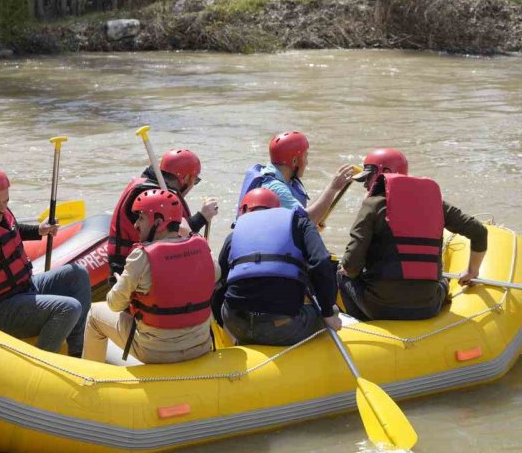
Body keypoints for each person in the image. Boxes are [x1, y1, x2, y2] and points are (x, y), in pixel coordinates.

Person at [0, 167, 90, 356]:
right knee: (68, 308)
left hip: (25, 288)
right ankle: (43, 366)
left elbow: (11, 231)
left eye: (6, 201)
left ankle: (75, 354)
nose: (2, 207)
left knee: (77, 274)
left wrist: (38, 230)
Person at [338, 148, 488, 321]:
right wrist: (472, 271)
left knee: (340, 275)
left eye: (367, 177)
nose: (365, 185)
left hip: (379, 308)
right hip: (428, 307)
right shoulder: (437, 204)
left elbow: (351, 267)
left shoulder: (373, 205)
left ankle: (363, 325)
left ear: (385, 173)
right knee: (443, 282)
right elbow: (479, 231)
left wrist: (346, 269)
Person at [84, 189, 217, 364]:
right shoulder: (203, 249)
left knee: (94, 314)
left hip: (155, 352)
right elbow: (214, 274)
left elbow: (115, 305)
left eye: (141, 217)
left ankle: (90, 378)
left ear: (159, 222)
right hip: (201, 345)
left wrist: (126, 289)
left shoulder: (141, 256)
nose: (135, 225)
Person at [216, 188, 341, 346]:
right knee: (332, 311)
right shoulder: (299, 223)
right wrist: (328, 313)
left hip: (236, 324)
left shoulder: (233, 235)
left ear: (244, 210)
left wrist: (225, 324)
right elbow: (322, 262)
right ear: (278, 209)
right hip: (281, 326)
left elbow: (218, 286)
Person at [107, 148, 219, 277]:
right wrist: (202, 217)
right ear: (187, 178)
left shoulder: (147, 186)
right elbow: (177, 236)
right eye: (195, 180)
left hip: (128, 264)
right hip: (133, 270)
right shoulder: (153, 196)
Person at [238, 131, 356, 225]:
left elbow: (304, 213)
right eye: (305, 157)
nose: (307, 162)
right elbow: (307, 221)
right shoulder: (275, 187)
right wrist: (333, 188)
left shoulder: (281, 177)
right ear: (294, 161)